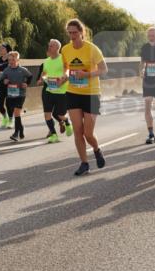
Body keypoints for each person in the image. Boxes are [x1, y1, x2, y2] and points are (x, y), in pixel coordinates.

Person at [60, 19, 107, 176]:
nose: (72, 35)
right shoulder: (65, 50)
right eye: (70, 33)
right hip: (73, 93)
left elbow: (103, 70)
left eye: (75, 32)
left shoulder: (92, 49)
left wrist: (86, 74)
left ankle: (96, 149)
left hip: (92, 94)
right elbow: (66, 68)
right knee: (77, 131)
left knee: (88, 133)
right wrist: (64, 77)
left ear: (81, 32)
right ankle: (84, 163)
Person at [37, 38, 72, 142]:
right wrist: (41, 80)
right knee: (47, 114)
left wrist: (63, 79)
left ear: (57, 47)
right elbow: (44, 73)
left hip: (61, 92)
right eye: (49, 45)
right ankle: (53, 134)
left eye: (51, 45)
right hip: (49, 90)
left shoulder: (63, 59)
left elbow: (68, 71)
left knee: (60, 114)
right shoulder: (46, 61)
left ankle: (67, 121)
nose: (49, 47)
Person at [0, 51, 33, 142]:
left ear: (18, 60)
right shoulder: (6, 70)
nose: (11, 61)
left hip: (20, 94)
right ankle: (21, 129)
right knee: (15, 113)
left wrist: (26, 83)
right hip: (10, 95)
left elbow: (30, 76)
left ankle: (16, 133)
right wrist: (4, 81)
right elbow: (1, 80)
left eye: (13, 59)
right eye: (9, 60)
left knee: (17, 112)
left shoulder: (23, 70)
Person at [0, 43, 12, 128]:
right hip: (1, 83)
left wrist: (1, 68)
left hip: (10, 83)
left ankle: (11, 121)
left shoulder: (11, 58)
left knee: (9, 103)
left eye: (2, 48)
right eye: (0, 49)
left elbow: (10, 67)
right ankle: (5, 117)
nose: (0, 50)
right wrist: (1, 68)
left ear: (6, 49)